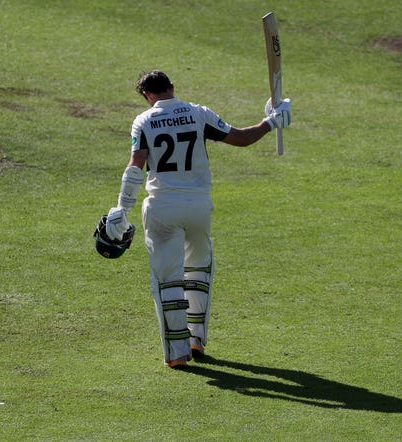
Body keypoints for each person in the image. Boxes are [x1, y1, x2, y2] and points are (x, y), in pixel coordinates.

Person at [104, 70, 291, 368]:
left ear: (147, 96)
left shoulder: (143, 120)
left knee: (168, 281)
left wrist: (121, 209)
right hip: (199, 207)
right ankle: (196, 340)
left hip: (162, 207)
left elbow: (135, 167)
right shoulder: (198, 113)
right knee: (199, 272)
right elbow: (241, 138)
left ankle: (177, 354)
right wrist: (271, 121)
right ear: (172, 88)